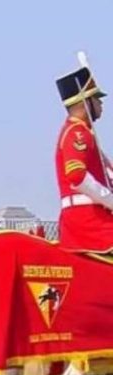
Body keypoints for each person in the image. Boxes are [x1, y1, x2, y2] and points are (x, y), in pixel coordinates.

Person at [54, 55, 113, 253]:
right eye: (97, 100)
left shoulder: (85, 133)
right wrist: (110, 201)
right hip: (89, 221)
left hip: (96, 218)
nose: (101, 105)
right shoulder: (77, 133)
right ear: (85, 103)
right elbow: (76, 176)